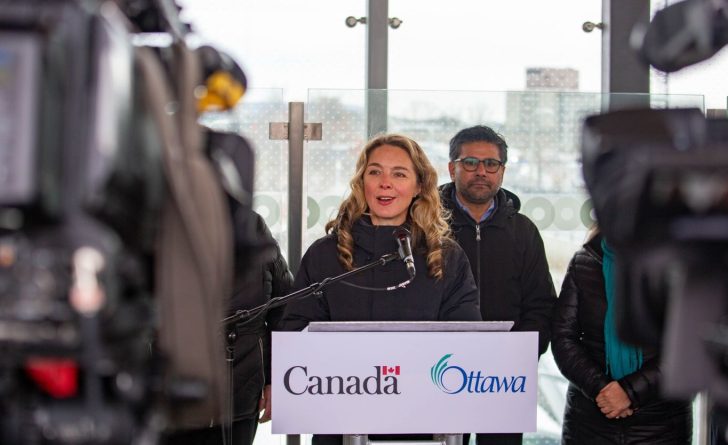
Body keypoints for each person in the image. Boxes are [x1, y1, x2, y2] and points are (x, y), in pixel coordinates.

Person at [280, 133, 482, 445]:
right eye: (375, 172)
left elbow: (467, 339)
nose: (385, 182)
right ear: (362, 182)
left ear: (418, 187)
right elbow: (296, 329)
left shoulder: (446, 256)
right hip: (339, 421)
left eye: (399, 174)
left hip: (424, 425)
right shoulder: (325, 254)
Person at [439, 125, 556, 445]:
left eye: (491, 164)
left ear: (502, 171)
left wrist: (519, 355)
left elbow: (541, 305)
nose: (481, 171)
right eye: (470, 163)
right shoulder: (427, 226)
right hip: (439, 372)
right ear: (452, 168)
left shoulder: (523, 231)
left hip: (504, 376)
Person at [551, 228, 692, 444]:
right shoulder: (584, 262)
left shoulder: (680, 267)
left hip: (660, 424)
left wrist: (630, 392)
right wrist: (601, 390)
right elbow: (563, 338)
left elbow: (689, 345)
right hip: (590, 421)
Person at [166, 209, 293, 445]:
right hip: (176, 394)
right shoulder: (164, 221)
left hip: (242, 392)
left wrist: (275, 380)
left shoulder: (253, 225)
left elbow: (284, 309)